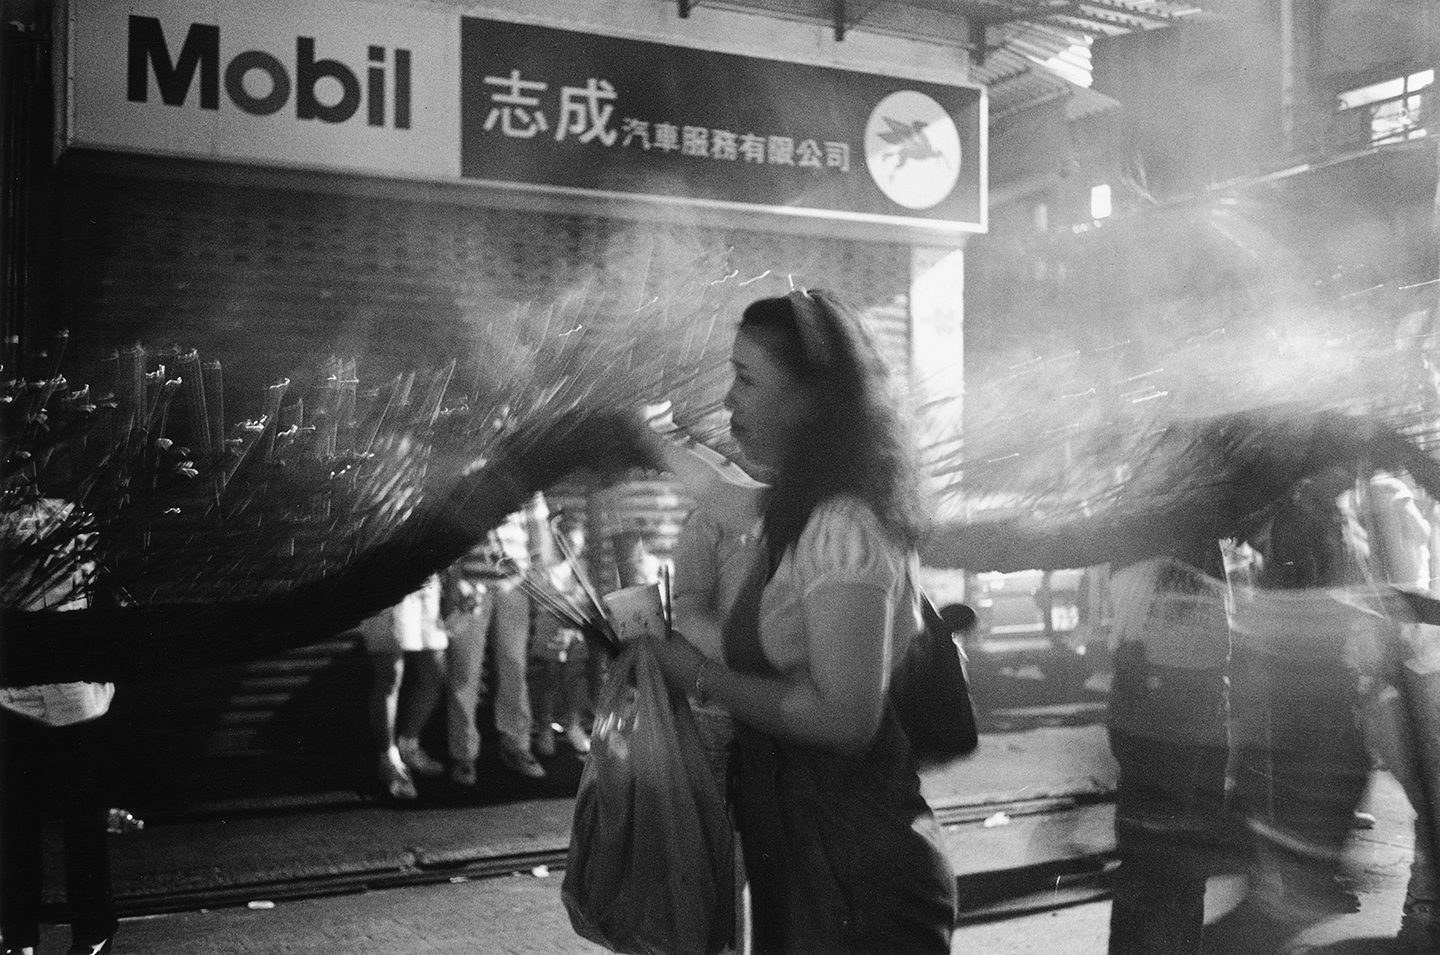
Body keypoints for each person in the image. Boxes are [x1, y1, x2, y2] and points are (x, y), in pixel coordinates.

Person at [649, 288, 957, 954]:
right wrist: (636, 439)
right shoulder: (796, 507)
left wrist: (699, 674)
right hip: (808, 863)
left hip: (860, 881)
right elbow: (717, 492)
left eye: (746, 379)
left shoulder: (844, 527)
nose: (728, 398)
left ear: (811, 400)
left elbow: (844, 719)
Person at [1, 499, 118, 955]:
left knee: (16, 827)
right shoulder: (79, 515)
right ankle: (91, 934)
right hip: (76, 699)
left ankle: (19, 939)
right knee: (82, 828)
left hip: (20, 697)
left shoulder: (38, 519)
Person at [442, 492, 553, 783]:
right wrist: (455, 581)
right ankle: (463, 754)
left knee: (514, 667)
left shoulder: (523, 475)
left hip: (514, 586)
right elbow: (448, 529)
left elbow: (538, 529)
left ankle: (517, 745)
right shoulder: (466, 473)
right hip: (471, 586)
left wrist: (535, 577)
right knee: (464, 671)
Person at [357, 575, 447, 801]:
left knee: (434, 673)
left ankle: (409, 745)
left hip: (427, 584)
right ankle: (388, 760)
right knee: (390, 677)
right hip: (390, 584)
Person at [528, 511, 595, 757]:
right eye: (572, 544)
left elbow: (587, 600)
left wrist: (574, 626)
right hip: (550, 627)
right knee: (549, 675)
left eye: (579, 545)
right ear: (560, 541)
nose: (576, 550)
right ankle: (545, 727)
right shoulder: (544, 567)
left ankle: (573, 724)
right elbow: (540, 602)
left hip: (574, 628)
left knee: (574, 676)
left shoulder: (580, 569)